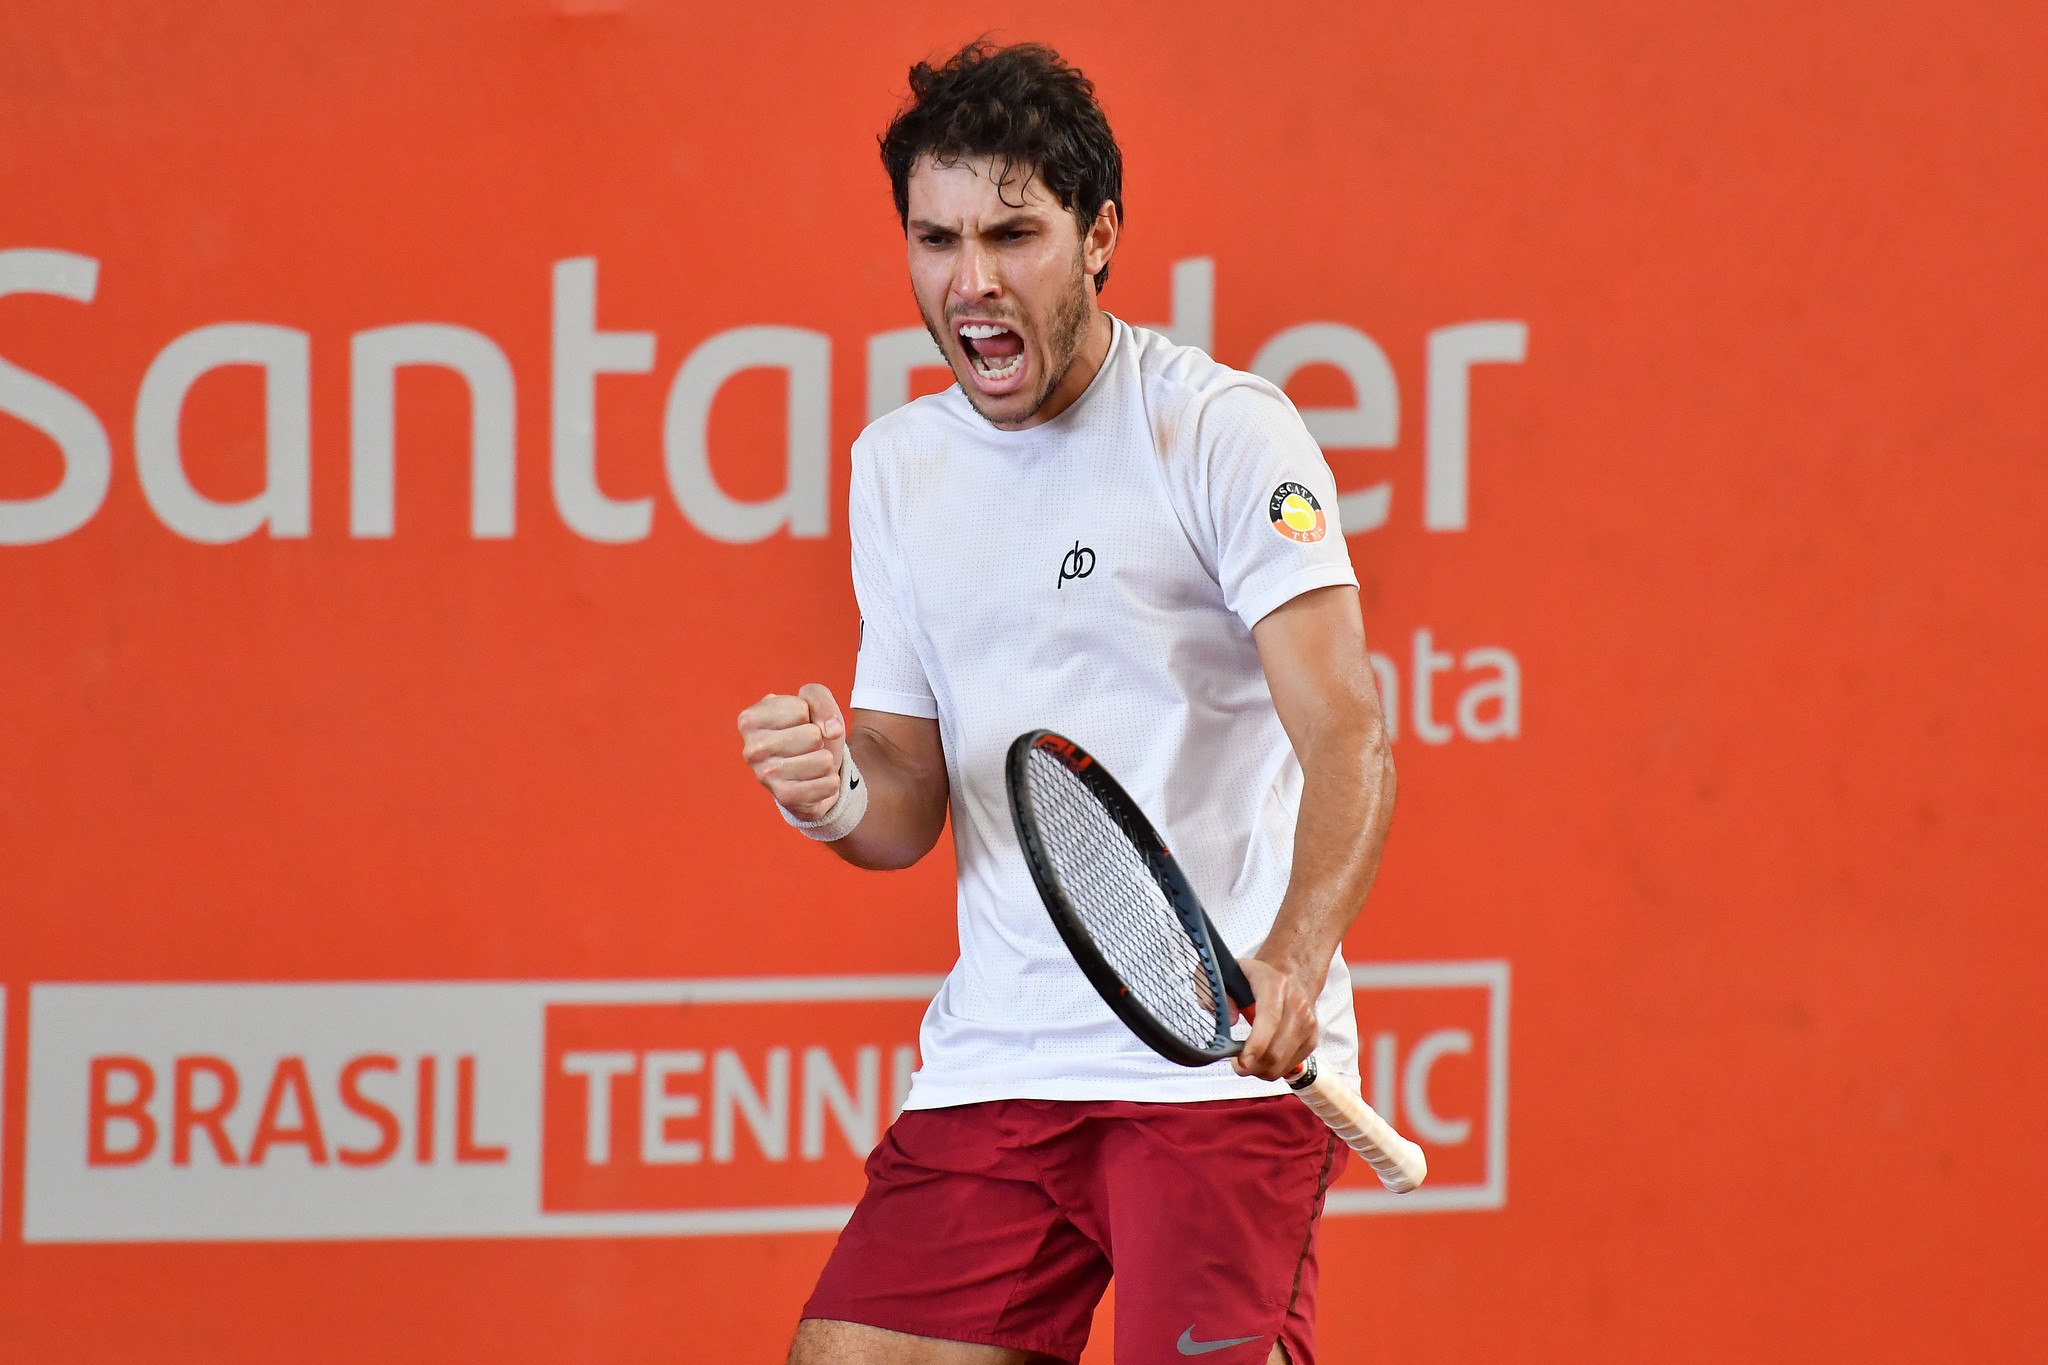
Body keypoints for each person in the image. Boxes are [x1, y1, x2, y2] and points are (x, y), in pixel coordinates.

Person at [737, 40, 1396, 1365]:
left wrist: (1297, 953)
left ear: (1099, 237)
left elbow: (1349, 734)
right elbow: (907, 793)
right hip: (1005, 1056)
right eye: (935, 237)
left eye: (1011, 233)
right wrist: (836, 787)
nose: (969, 279)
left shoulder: (1220, 433)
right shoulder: (897, 469)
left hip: (1210, 1064)